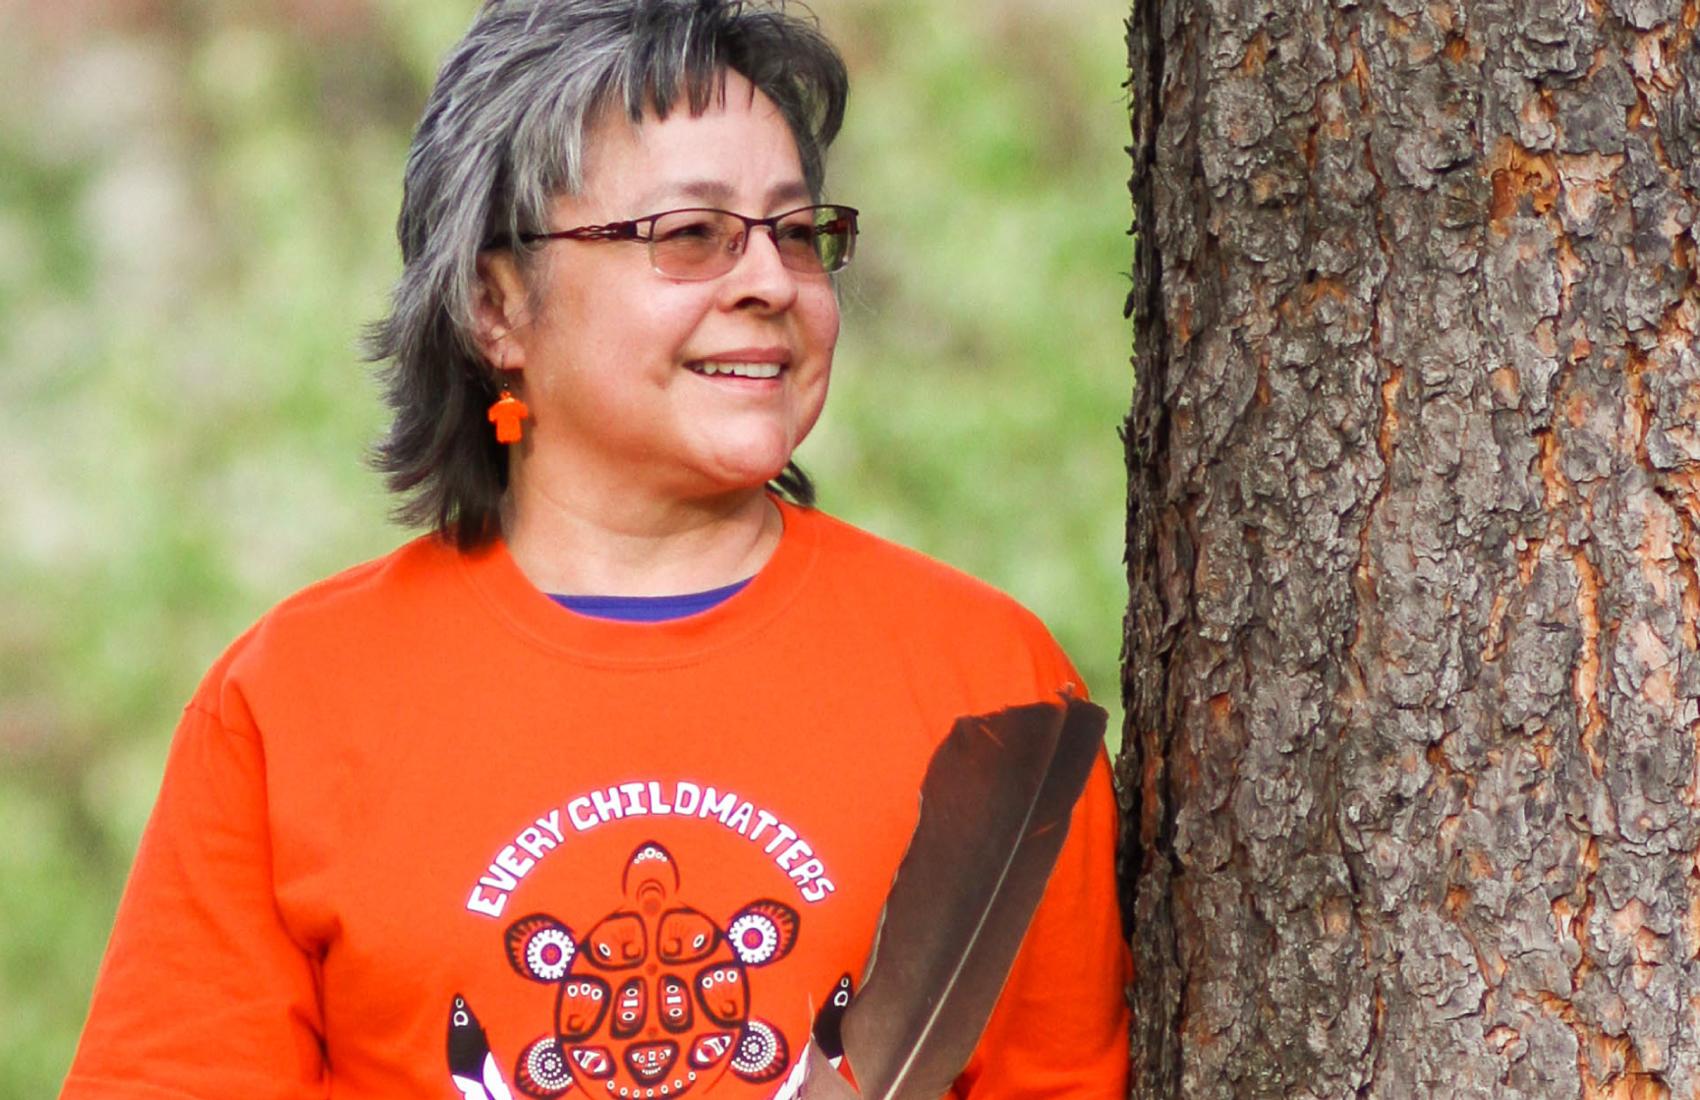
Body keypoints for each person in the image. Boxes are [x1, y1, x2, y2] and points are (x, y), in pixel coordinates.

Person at [60, 2, 1130, 1097]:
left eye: (797, 230)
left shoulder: (986, 682)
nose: (769, 279)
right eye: (687, 233)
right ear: (496, 306)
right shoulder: (290, 702)